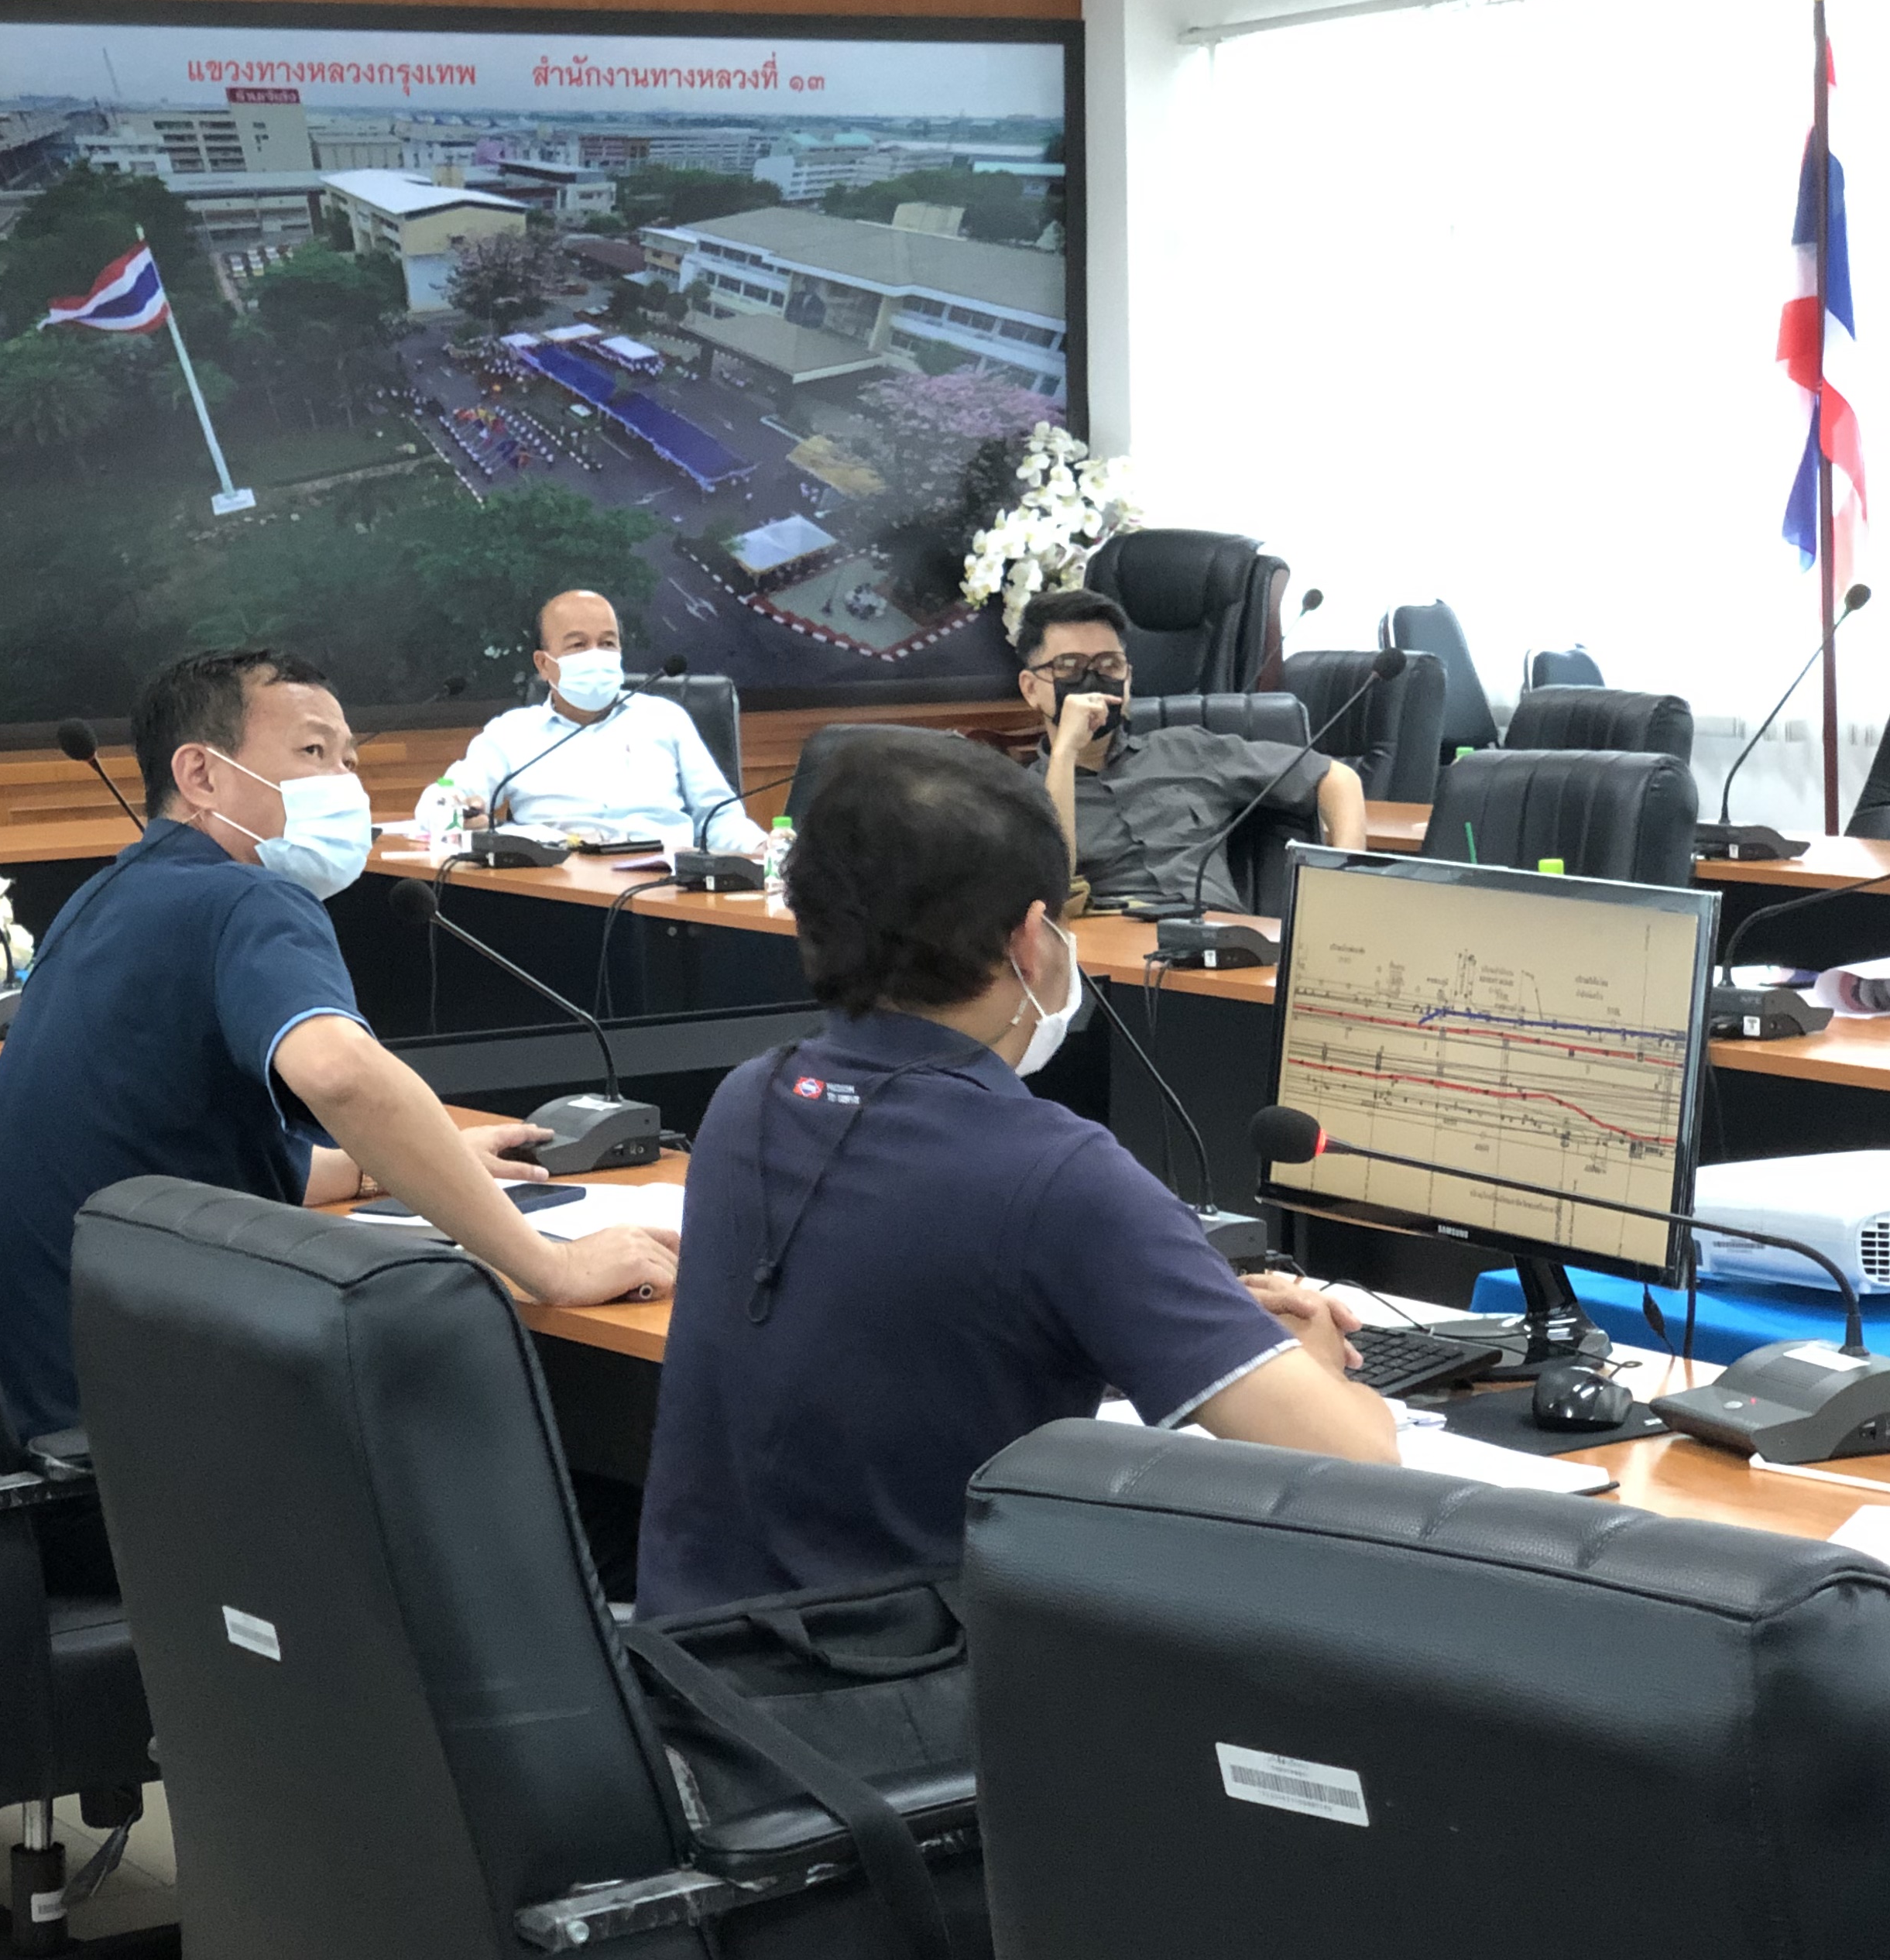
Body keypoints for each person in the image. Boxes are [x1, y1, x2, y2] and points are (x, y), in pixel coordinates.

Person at [636, 729, 1398, 1614]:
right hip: (913, 1679)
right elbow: (1363, 1475)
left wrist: (1151, 1314)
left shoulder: (748, 1099)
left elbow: (928, 1321)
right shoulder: (1060, 1175)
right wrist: (1317, 1366)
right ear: (1031, 941)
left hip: (699, 1663)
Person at [0, 646, 679, 1442]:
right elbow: (341, 1076)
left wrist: (388, 1167)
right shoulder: (249, 898)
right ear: (201, 775)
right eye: (312, 752)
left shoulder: (107, 895)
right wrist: (552, 1265)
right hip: (158, 1424)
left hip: (37, 1398)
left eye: (348, 761)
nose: (343, 783)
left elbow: (170, 1151)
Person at [1014, 586, 1365, 915]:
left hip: (1216, 942)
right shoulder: (1018, 794)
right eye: (1069, 667)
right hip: (1108, 949)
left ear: (1128, 679)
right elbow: (1051, 892)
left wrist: (1344, 888)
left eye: (1110, 665)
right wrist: (1065, 754)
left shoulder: (1189, 750)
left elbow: (1337, 779)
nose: (1092, 680)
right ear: (1031, 689)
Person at [416, 589, 760, 850]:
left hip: (664, 884)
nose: (596, 655)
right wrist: (458, 813)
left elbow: (721, 818)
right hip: (558, 887)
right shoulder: (513, 733)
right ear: (544, 664)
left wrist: (762, 847)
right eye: (578, 645)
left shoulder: (665, 719)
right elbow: (439, 802)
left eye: (607, 643)